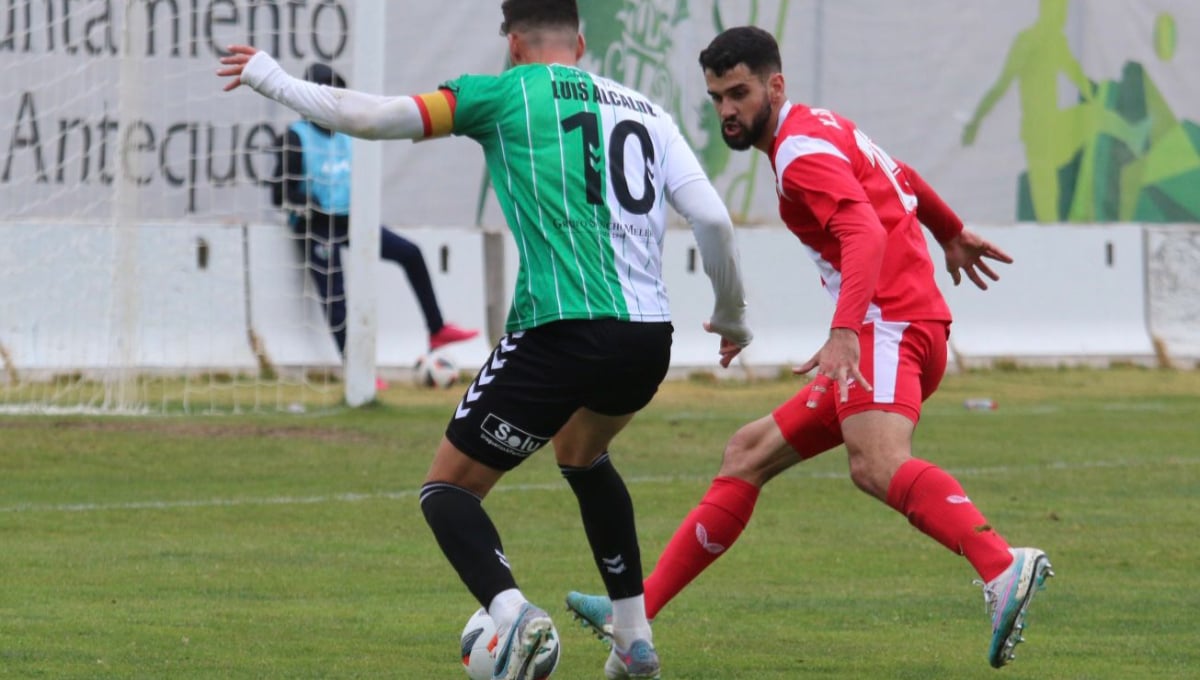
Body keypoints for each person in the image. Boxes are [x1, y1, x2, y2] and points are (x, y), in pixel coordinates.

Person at [217, 2, 754, 679]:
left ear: (515, 42)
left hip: (559, 329)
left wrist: (272, 78)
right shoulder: (649, 111)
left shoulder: (498, 93)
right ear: (582, 43)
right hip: (648, 338)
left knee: (447, 491)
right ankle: (633, 635)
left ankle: (512, 615)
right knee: (584, 456)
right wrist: (732, 318)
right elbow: (711, 216)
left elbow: (372, 117)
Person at [565, 25, 1054, 671]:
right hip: (902, 327)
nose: (727, 111)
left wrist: (846, 331)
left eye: (739, 93)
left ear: (775, 84)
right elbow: (899, 175)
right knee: (747, 453)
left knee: (876, 464)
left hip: (887, 329)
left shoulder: (799, 153)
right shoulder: (821, 125)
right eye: (716, 97)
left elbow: (863, 233)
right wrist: (951, 231)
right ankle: (637, 618)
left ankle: (1001, 564)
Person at [271, 62, 479, 388]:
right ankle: (358, 371)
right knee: (334, 296)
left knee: (410, 253)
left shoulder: (347, 135)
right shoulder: (295, 138)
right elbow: (279, 192)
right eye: (326, 93)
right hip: (316, 227)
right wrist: (305, 203)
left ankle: (437, 329)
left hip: (352, 220)